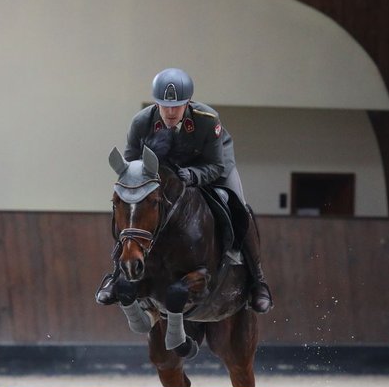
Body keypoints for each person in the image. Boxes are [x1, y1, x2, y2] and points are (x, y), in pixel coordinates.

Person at [96, 67, 273, 313]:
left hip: (210, 166)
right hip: (167, 174)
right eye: (164, 106)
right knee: (130, 208)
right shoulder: (141, 122)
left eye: (176, 106)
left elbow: (215, 165)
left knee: (238, 207)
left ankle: (257, 282)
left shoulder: (207, 119)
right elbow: (131, 168)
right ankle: (116, 274)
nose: (170, 112)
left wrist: (193, 175)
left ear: (187, 103)